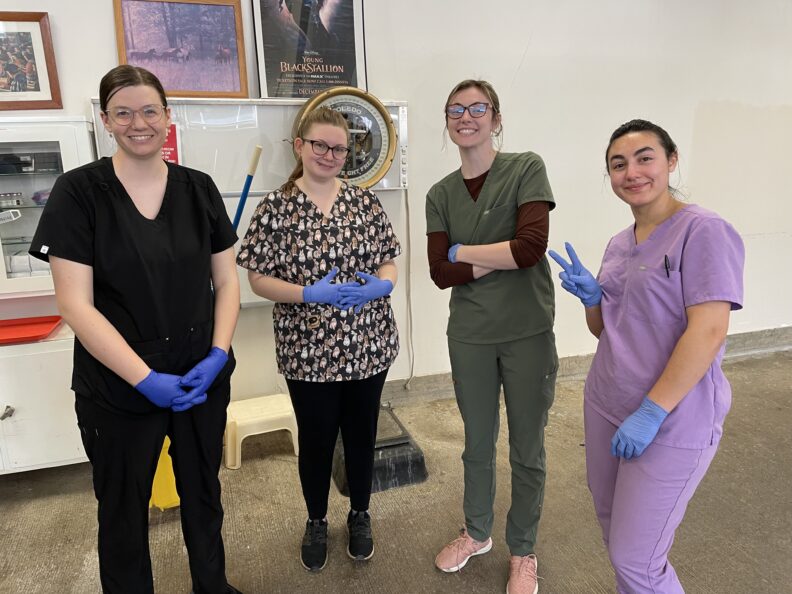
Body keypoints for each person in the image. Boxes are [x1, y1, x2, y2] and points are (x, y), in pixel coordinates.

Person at [28, 65, 242, 594]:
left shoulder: (199, 189)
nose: (138, 123)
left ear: (168, 117)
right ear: (106, 120)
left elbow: (227, 281)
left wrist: (218, 354)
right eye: (123, 112)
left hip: (199, 379)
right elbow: (74, 305)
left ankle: (212, 586)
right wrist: (145, 379)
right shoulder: (78, 192)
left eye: (150, 110)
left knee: (203, 494)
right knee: (123, 511)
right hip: (118, 389)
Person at [549, 119, 744, 593]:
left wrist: (652, 411)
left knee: (638, 559)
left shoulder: (704, 231)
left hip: (672, 418)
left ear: (671, 161)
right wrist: (593, 298)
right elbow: (604, 331)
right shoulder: (620, 244)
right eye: (618, 164)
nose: (631, 172)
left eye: (644, 158)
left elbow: (710, 329)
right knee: (615, 532)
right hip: (606, 403)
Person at [236, 106, 400, 572]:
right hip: (306, 351)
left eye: (339, 148)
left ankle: (360, 513)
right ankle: (315, 519)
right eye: (321, 145)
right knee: (317, 439)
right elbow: (257, 279)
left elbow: (389, 258)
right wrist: (308, 293)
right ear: (300, 146)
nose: (330, 155)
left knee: (362, 436)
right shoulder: (276, 207)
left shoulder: (364, 202)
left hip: (367, 344)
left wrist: (383, 285)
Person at [426, 79, 558, 594]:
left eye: (477, 108)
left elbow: (530, 248)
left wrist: (464, 252)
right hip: (471, 336)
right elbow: (439, 273)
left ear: (495, 118)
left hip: (527, 332)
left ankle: (522, 549)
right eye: (456, 109)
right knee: (476, 443)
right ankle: (477, 531)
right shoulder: (440, 194)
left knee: (528, 447)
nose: (466, 116)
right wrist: (477, 256)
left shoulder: (526, 168)